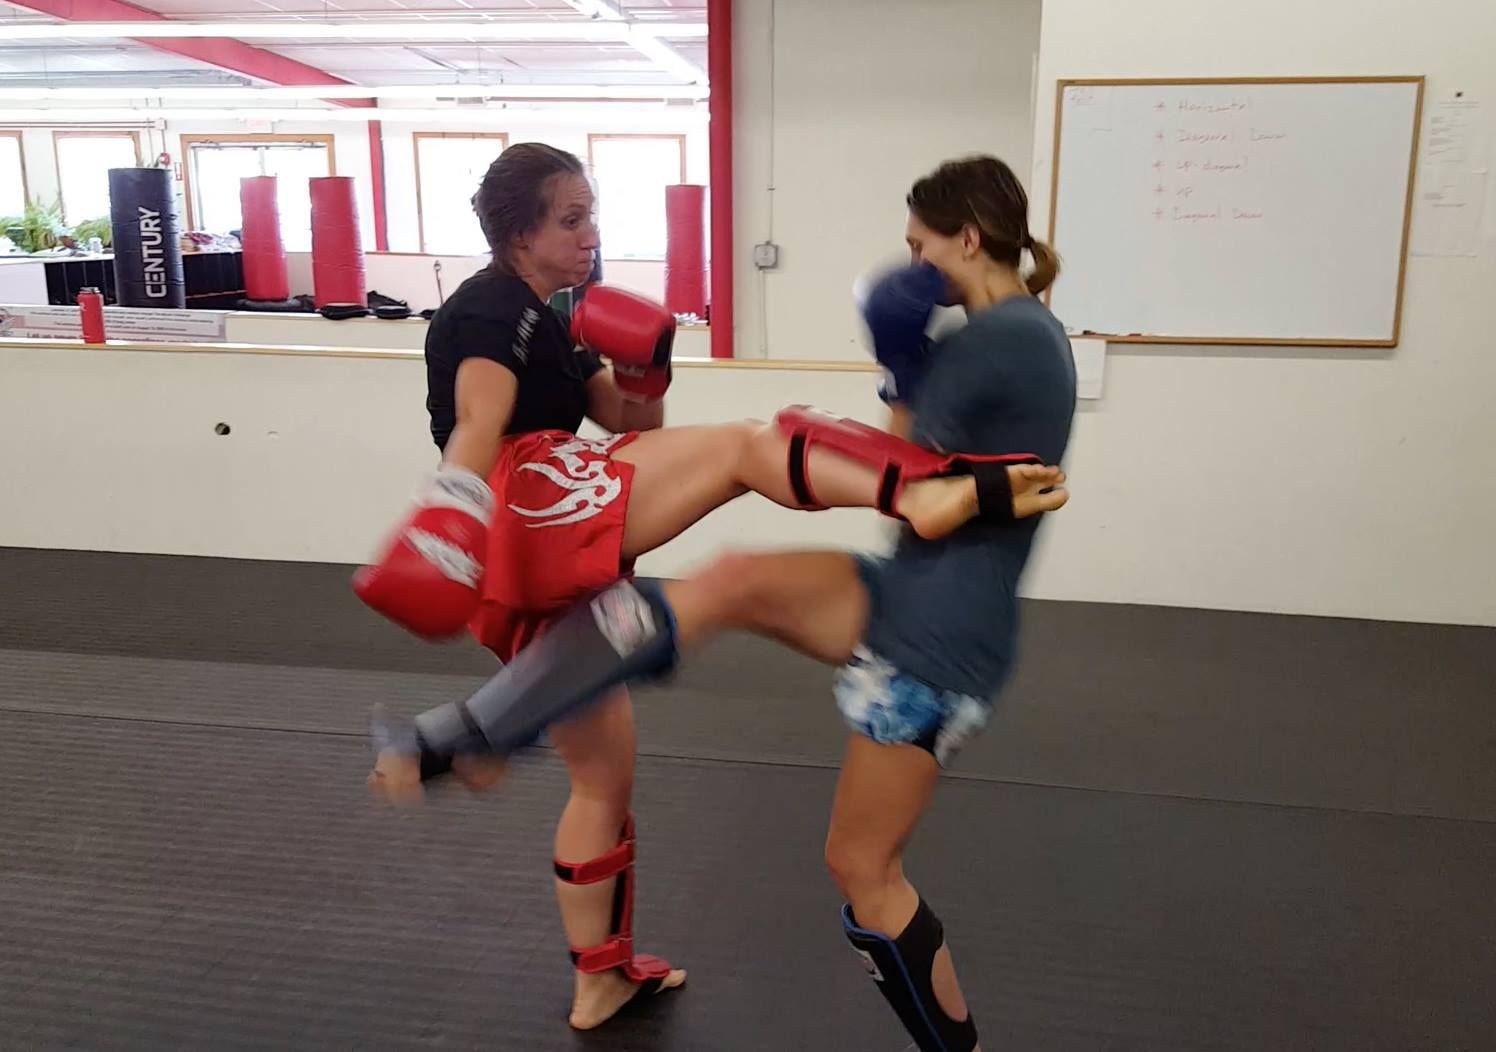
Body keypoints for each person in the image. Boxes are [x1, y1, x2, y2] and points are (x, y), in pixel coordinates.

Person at [354, 142, 1069, 1033]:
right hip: (531, 505)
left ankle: (586, 948)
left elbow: (629, 419)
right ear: (517, 232)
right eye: (571, 219)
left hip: (929, 620)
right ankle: (473, 734)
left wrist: (646, 369)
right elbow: (477, 417)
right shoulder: (489, 311)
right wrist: (453, 502)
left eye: (921, 250)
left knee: (641, 748)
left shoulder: (1011, 338)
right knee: (745, 460)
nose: (590, 235)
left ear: (967, 239)